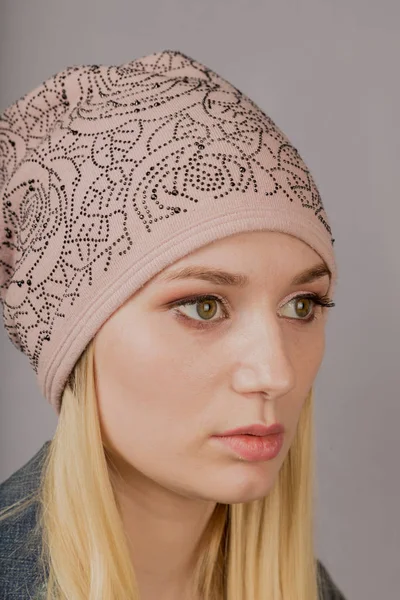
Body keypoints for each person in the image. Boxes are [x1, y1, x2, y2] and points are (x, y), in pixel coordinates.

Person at [0, 50, 346, 600]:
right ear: (76, 343)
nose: (276, 374)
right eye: (203, 306)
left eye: (302, 305)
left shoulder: (303, 586)